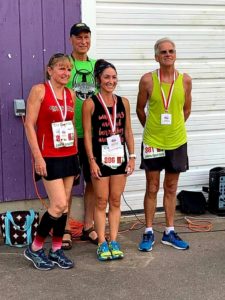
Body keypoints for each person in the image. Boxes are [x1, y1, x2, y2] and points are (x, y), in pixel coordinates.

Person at [24, 53, 80, 270]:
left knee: (64, 207)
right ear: (50, 70)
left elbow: (72, 127)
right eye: (61, 68)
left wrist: (75, 157)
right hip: (48, 156)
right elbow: (29, 124)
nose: (66, 73)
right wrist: (38, 157)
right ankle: (35, 248)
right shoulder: (39, 90)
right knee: (57, 204)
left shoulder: (70, 94)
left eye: (68, 69)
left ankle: (56, 249)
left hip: (68, 155)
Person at [136, 38, 192, 252]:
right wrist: (153, 130)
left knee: (170, 187)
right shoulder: (148, 80)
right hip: (153, 142)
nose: (168, 54)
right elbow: (140, 109)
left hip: (177, 142)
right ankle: (148, 230)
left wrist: (173, 129)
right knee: (151, 187)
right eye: (163, 52)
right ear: (156, 57)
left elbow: (186, 110)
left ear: (175, 55)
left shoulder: (185, 80)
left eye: (171, 51)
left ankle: (169, 231)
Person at [82, 59, 135, 261]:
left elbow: (128, 130)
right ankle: (102, 242)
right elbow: (87, 134)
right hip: (100, 158)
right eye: (106, 77)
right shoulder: (90, 103)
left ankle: (114, 240)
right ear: (98, 79)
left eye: (113, 77)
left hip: (119, 157)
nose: (110, 81)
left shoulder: (124, 102)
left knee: (115, 200)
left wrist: (131, 156)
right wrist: (91, 161)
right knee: (101, 200)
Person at [63, 22, 98, 249]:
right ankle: (64, 228)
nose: (83, 41)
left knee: (93, 181)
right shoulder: (64, 64)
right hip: (68, 132)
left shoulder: (97, 65)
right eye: (78, 37)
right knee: (67, 184)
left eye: (86, 37)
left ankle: (89, 226)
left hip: (93, 133)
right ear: (71, 40)